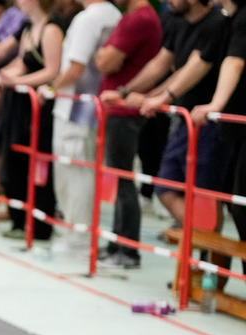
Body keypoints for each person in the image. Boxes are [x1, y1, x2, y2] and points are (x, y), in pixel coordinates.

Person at [104, 0, 228, 268]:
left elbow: (194, 67)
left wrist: (159, 97)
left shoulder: (216, 24)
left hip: (207, 122)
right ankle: (205, 247)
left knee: (205, 197)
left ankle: (209, 259)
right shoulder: (176, 21)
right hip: (185, 120)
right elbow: (160, 64)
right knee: (166, 188)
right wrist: (127, 91)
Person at [38, 0, 119, 251]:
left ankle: (78, 238)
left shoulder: (87, 20)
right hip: (95, 110)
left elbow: (75, 68)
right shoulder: (113, 15)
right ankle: (80, 234)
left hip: (76, 111)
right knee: (83, 173)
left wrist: (51, 89)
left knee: (74, 175)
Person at [0, 0, 63, 242]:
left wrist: (18, 82)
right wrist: (1, 77)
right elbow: (21, 63)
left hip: (38, 108)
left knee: (37, 166)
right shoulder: (28, 28)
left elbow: (52, 71)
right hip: (19, 106)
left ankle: (39, 226)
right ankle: (18, 220)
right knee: (14, 162)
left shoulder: (51, 29)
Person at [94, 0, 162, 268]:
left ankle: (128, 250)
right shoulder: (132, 17)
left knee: (123, 180)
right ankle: (117, 243)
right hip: (118, 111)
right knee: (119, 179)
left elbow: (105, 62)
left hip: (125, 112)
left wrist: (106, 57)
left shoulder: (140, 19)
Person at [191, 0, 246, 274]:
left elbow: (235, 61)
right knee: (230, 203)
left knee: (241, 206)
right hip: (232, 129)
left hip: (238, 125)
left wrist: (215, 104)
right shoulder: (226, 20)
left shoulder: (243, 18)